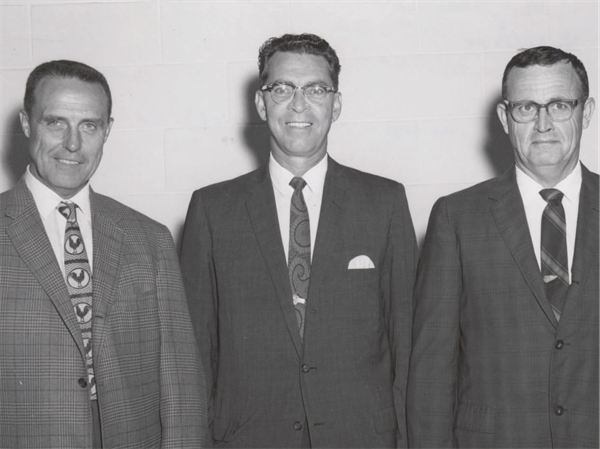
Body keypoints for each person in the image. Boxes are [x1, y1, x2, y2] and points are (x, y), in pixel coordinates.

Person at [180, 33, 417, 449]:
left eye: (316, 89)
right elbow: (196, 353)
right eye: (282, 89)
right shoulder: (211, 209)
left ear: (336, 104)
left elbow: (407, 343)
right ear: (260, 103)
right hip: (248, 437)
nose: (299, 104)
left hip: (362, 436)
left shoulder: (385, 202)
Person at [0, 60, 207, 449]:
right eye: (55, 122)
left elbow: (182, 388)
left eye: (89, 126)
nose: (73, 144)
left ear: (107, 130)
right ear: (27, 124)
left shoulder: (149, 238)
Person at [407, 46, 598, 449]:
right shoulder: (456, 218)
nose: (543, 123)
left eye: (560, 105)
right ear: (505, 118)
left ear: (588, 111)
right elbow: (431, 370)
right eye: (526, 107)